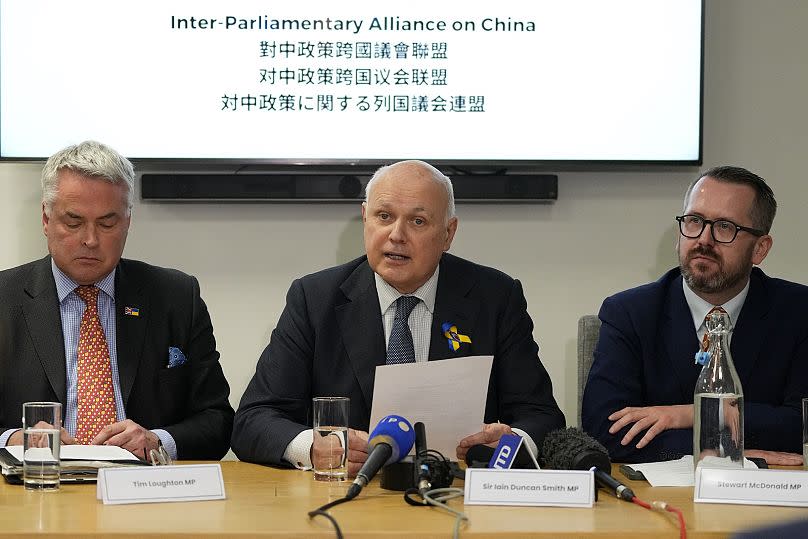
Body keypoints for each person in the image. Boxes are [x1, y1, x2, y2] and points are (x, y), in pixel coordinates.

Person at [231, 160, 564, 473]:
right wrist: (316, 447)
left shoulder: (495, 297)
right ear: (365, 218)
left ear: (448, 234)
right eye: (384, 216)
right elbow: (254, 419)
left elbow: (541, 416)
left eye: (418, 221)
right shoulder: (315, 299)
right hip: (350, 497)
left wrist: (509, 444)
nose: (396, 235)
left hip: (459, 495)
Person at [0, 141, 234, 460]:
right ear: (45, 218)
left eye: (107, 223)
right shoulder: (5, 298)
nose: (90, 239)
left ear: (127, 221)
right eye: (73, 222)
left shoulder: (176, 296)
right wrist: (15, 439)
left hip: (142, 490)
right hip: (38, 488)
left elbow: (218, 421)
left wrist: (157, 441)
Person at [582, 166, 807, 464]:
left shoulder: (798, 311)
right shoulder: (630, 313)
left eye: (725, 227)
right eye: (694, 221)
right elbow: (606, 431)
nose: (703, 239)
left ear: (760, 249)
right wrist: (717, 453)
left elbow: (799, 425)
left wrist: (692, 414)